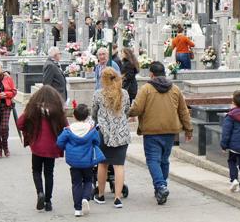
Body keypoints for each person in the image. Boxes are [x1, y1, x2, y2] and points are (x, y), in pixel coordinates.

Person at [129, 61, 193, 205]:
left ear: (151, 74)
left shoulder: (146, 89)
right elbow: (183, 111)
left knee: (153, 160)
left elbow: (137, 109)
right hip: (170, 131)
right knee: (164, 160)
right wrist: (189, 129)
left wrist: (129, 111)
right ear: (164, 73)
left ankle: (160, 186)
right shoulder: (175, 89)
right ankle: (161, 188)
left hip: (151, 131)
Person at [17, 85, 68, 212]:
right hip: (52, 146)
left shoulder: (33, 110)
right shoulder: (58, 111)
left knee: (36, 171)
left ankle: (40, 192)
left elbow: (20, 123)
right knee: (49, 173)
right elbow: (66, 127)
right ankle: (48, 201)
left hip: (37, 145)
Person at [91, 67, 130, 208]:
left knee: (102, 164)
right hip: (121, 134)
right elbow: (127, 111)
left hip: (104, 134)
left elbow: (94, 113)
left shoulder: (98, 94)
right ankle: (117, 198)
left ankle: (101, 195)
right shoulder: (124, 94)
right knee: (119, 165)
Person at [57, 104, 103, 217]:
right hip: (87, 161)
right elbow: (97, 142)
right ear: (87, 116)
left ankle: (77, 209)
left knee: (76, 183)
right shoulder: (91, 130)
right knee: (88, 180)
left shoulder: (68, 130)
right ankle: (85, 198)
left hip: (74, 162)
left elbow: (59, 142)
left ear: (74, 116)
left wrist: (67, 147)